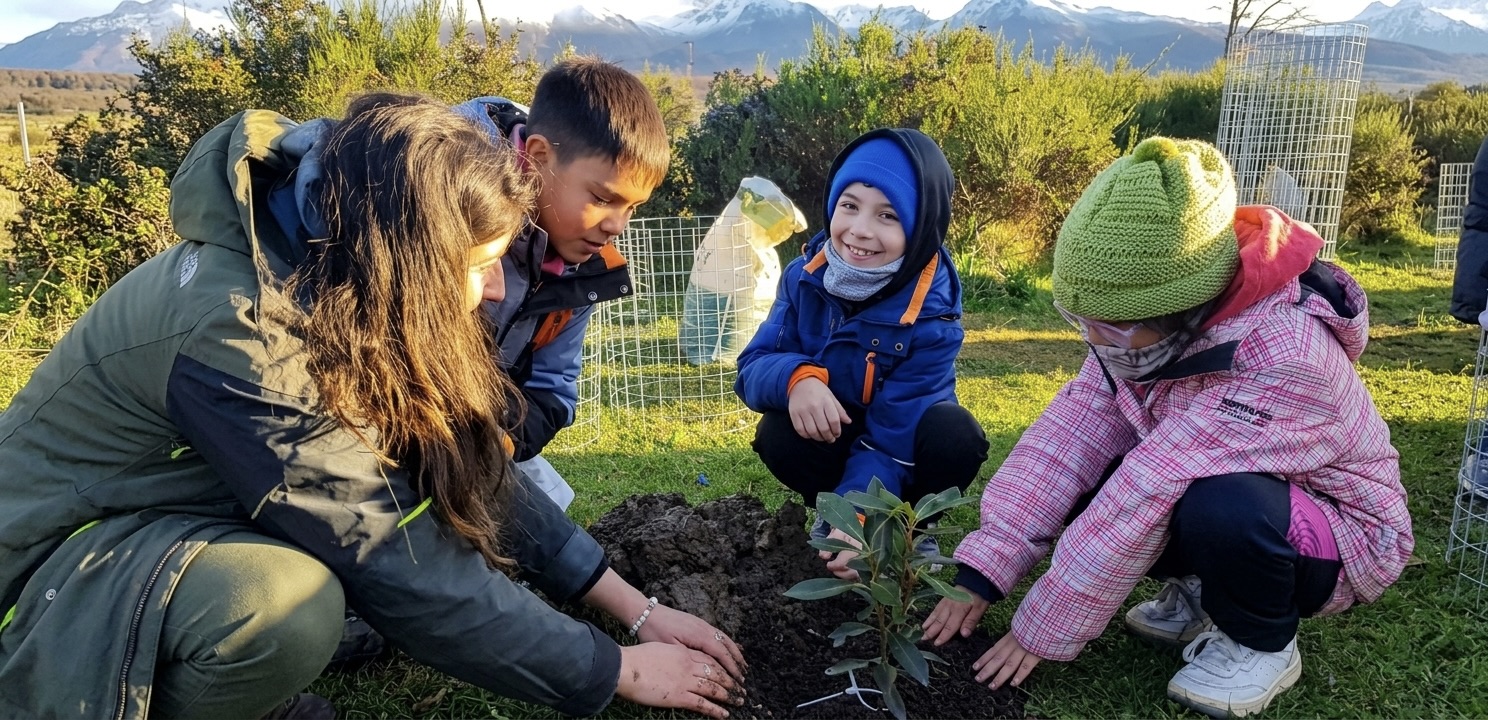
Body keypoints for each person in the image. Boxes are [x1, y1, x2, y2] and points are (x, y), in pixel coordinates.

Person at [0, 93, 745, 720]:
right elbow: (391, 553)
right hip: (43, 572)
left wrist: (632, 607)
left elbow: (462, 455)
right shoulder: (244, 334)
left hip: (156, 518)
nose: (494, 292)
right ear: (408, 259)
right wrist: (615, 670)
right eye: (481, 266)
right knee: (284, 606)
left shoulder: (331, 272)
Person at [923, 137, 1414, 718]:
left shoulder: (1285, 356)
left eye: (1113, 325)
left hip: (1341, 534)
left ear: (1184, 304)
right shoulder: (1133, 342)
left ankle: (1262, 642)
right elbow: (1065, 442)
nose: (1095, 339)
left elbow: (1151, 483)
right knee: (1102, 473)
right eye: (1081, 320)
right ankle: (1205, 594)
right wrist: (984, 569)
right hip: (1232, 484)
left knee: (1220, 503)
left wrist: (1039, 629)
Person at [734, 128, 990, 580]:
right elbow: (753, 365)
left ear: (920, 224)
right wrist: (799, 379)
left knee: (955, 435)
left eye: (888, 216)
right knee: (778, 430)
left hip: (902, 448)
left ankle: (913, 527)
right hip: (840, 431)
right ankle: (829, 510)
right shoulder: (804, 276)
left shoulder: (933, 317)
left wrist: (860, 515)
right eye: (849, 205)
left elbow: (893, 437)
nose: (860, 230)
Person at [453, 57, 663, 512]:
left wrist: (504, 442)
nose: (617, 226)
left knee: (548, 510)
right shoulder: (448, 197)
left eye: (633, 207)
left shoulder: (584, 266)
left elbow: (553, 386)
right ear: (538, 157)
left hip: (477, 432)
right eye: (603, 198)